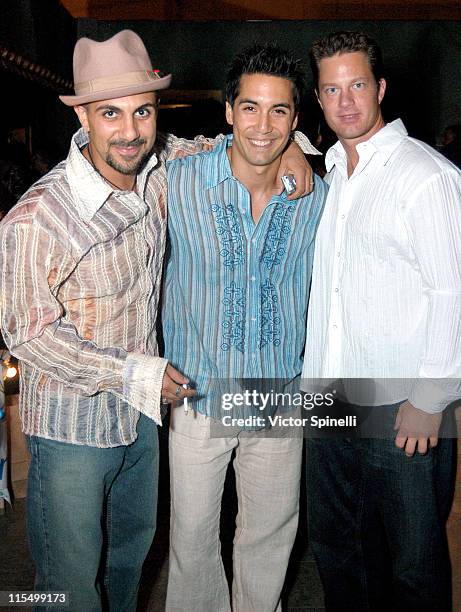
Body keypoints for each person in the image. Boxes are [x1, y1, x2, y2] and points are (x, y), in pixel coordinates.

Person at [0, 30, 314, 611]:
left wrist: (293, 144)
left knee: (129, 565)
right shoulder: (38, 216)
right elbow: (26, 333)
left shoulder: (161, 168)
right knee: (68, 586)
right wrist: (136, 374)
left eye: (141, 111)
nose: (128, 130)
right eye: (110, 113)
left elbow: (238, 141)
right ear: (84, 119)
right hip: (74, 427)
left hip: (145, 423)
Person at [163, 43, 327, 611]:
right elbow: (119, 148)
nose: (263, 124)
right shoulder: (176, 183)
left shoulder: (316, 199)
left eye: (279, 111)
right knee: (190, 543)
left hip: (278, 398)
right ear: (228, 111)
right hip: (198, 395)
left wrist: (303, 155)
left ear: (296, 119)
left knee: (268, 539)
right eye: (250, 107)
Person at [301, 31, 461, 611]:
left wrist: (431, 397)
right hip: (331, 403)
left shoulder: (427, 176)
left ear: (381, 88)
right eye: (331, 90)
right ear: (318, 100)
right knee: (339, 553)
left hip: (403, 408)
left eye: (358, 86)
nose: (346, 102)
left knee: (412, 565)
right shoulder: (332, 179)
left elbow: (453, 293)